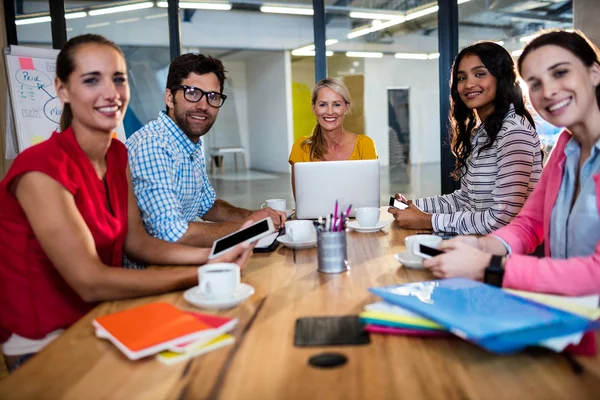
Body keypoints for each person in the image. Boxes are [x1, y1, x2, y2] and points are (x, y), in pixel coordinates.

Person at [0, 34, 253, 371]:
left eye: (118, 78)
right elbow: (90, 281)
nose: (110, 92)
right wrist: (200, 271)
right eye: (92, 80)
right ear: (62, 90)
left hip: (104, 315)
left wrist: (214, 256)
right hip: (47, 339)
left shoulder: (117, 155)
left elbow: (138, 243)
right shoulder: (40, 169)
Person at [423, 30, 600, 296]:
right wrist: (481, 247)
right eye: (535, 83)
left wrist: (488, 265)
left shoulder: (515, 131)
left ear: (595, 73)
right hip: (567, 316)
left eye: (560, 72)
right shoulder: (566, 147)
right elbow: (530, 223)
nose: (549, 91)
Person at [126, 53, 286, 253]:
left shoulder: (188, 144)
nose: (203, 106)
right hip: (151, 274)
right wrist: (252, 226)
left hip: (183, 262)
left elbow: (207, 205)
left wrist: (253, 215)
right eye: (192, 93)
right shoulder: (152, 145)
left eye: (213, 96)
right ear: (169, 97)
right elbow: (172, 234)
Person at [389, 42, 543, 235]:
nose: (468, 84)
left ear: (501, 78)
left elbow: (502, 219)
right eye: (462, 78)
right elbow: (465, 199)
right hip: (479, 244)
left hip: (508, 256)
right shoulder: (483, 132)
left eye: (480, 74)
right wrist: (411, 206)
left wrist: (428, 220)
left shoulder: (514, 133)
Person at [288, 77, 378, 193]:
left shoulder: (365, 145)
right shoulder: (302, 148)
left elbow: (370, 197)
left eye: (336, 104)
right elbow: (301, 200)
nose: (330, 112)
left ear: (346, 107)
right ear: (314, 108)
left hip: (355, 212)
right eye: (323, 105)